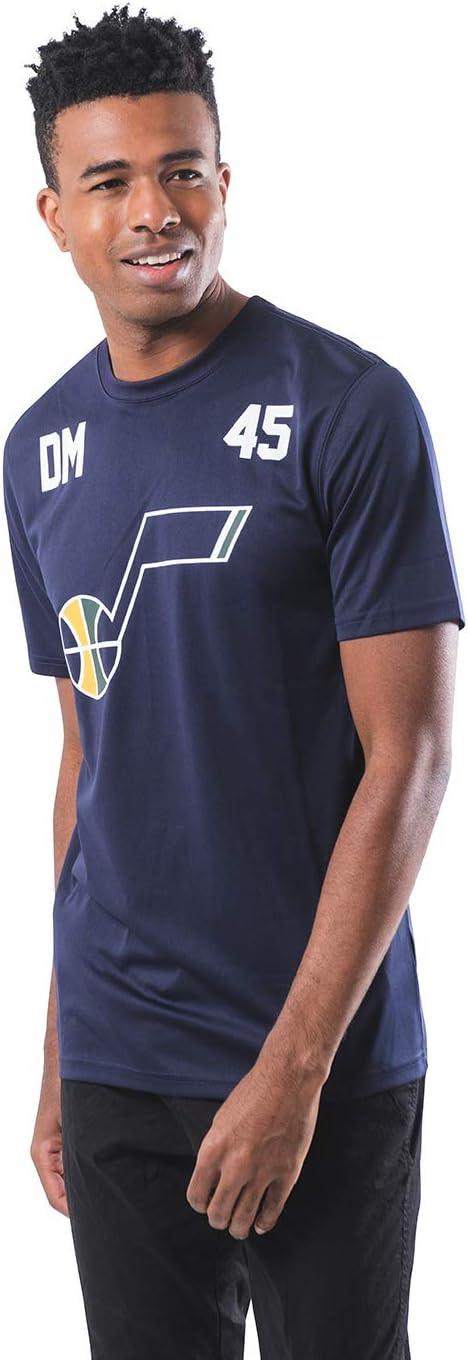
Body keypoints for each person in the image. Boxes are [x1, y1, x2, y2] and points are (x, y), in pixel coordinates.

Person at [3, 6, 464, 1358]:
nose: (156, 211)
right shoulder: (37, 450)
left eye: (183, 170)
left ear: (225, 178)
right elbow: (86, 760)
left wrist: (295, 1069)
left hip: (317, 1060)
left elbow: (413, 757)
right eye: (110, 181)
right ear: (55, 215)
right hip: (118, 1063)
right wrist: (60, 1053)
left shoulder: (350, 407)